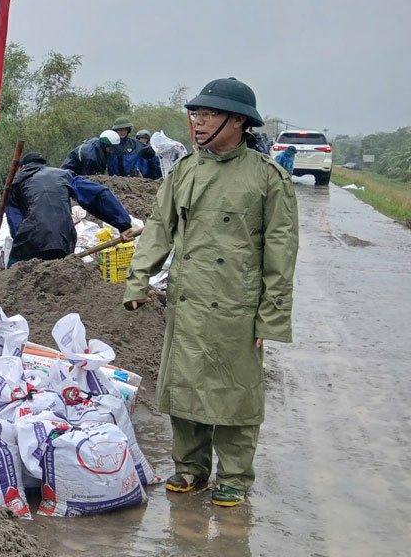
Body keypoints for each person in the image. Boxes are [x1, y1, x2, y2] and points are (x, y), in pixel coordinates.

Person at [124, 78, 298, 509]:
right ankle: (191, 469)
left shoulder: (267, 178)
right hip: (188, 300)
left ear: (238, 121)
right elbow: (159, 229)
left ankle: (235, 476)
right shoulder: (185, 170)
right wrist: (138, 279)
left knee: (236, 392)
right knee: (185, 387)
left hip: (238, 305)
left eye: (209, 114)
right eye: (196, 114)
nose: (198, 122)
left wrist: (271, 316)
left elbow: (281, 252)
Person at [4, 153, 133, 262]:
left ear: (22, 167)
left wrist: (21, 241)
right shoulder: (63, 175)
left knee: (14, 279)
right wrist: (123, 224)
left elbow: (15, 221)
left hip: (29, 241)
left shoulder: (15, 184)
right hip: (63, 238)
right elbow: (97, 195)